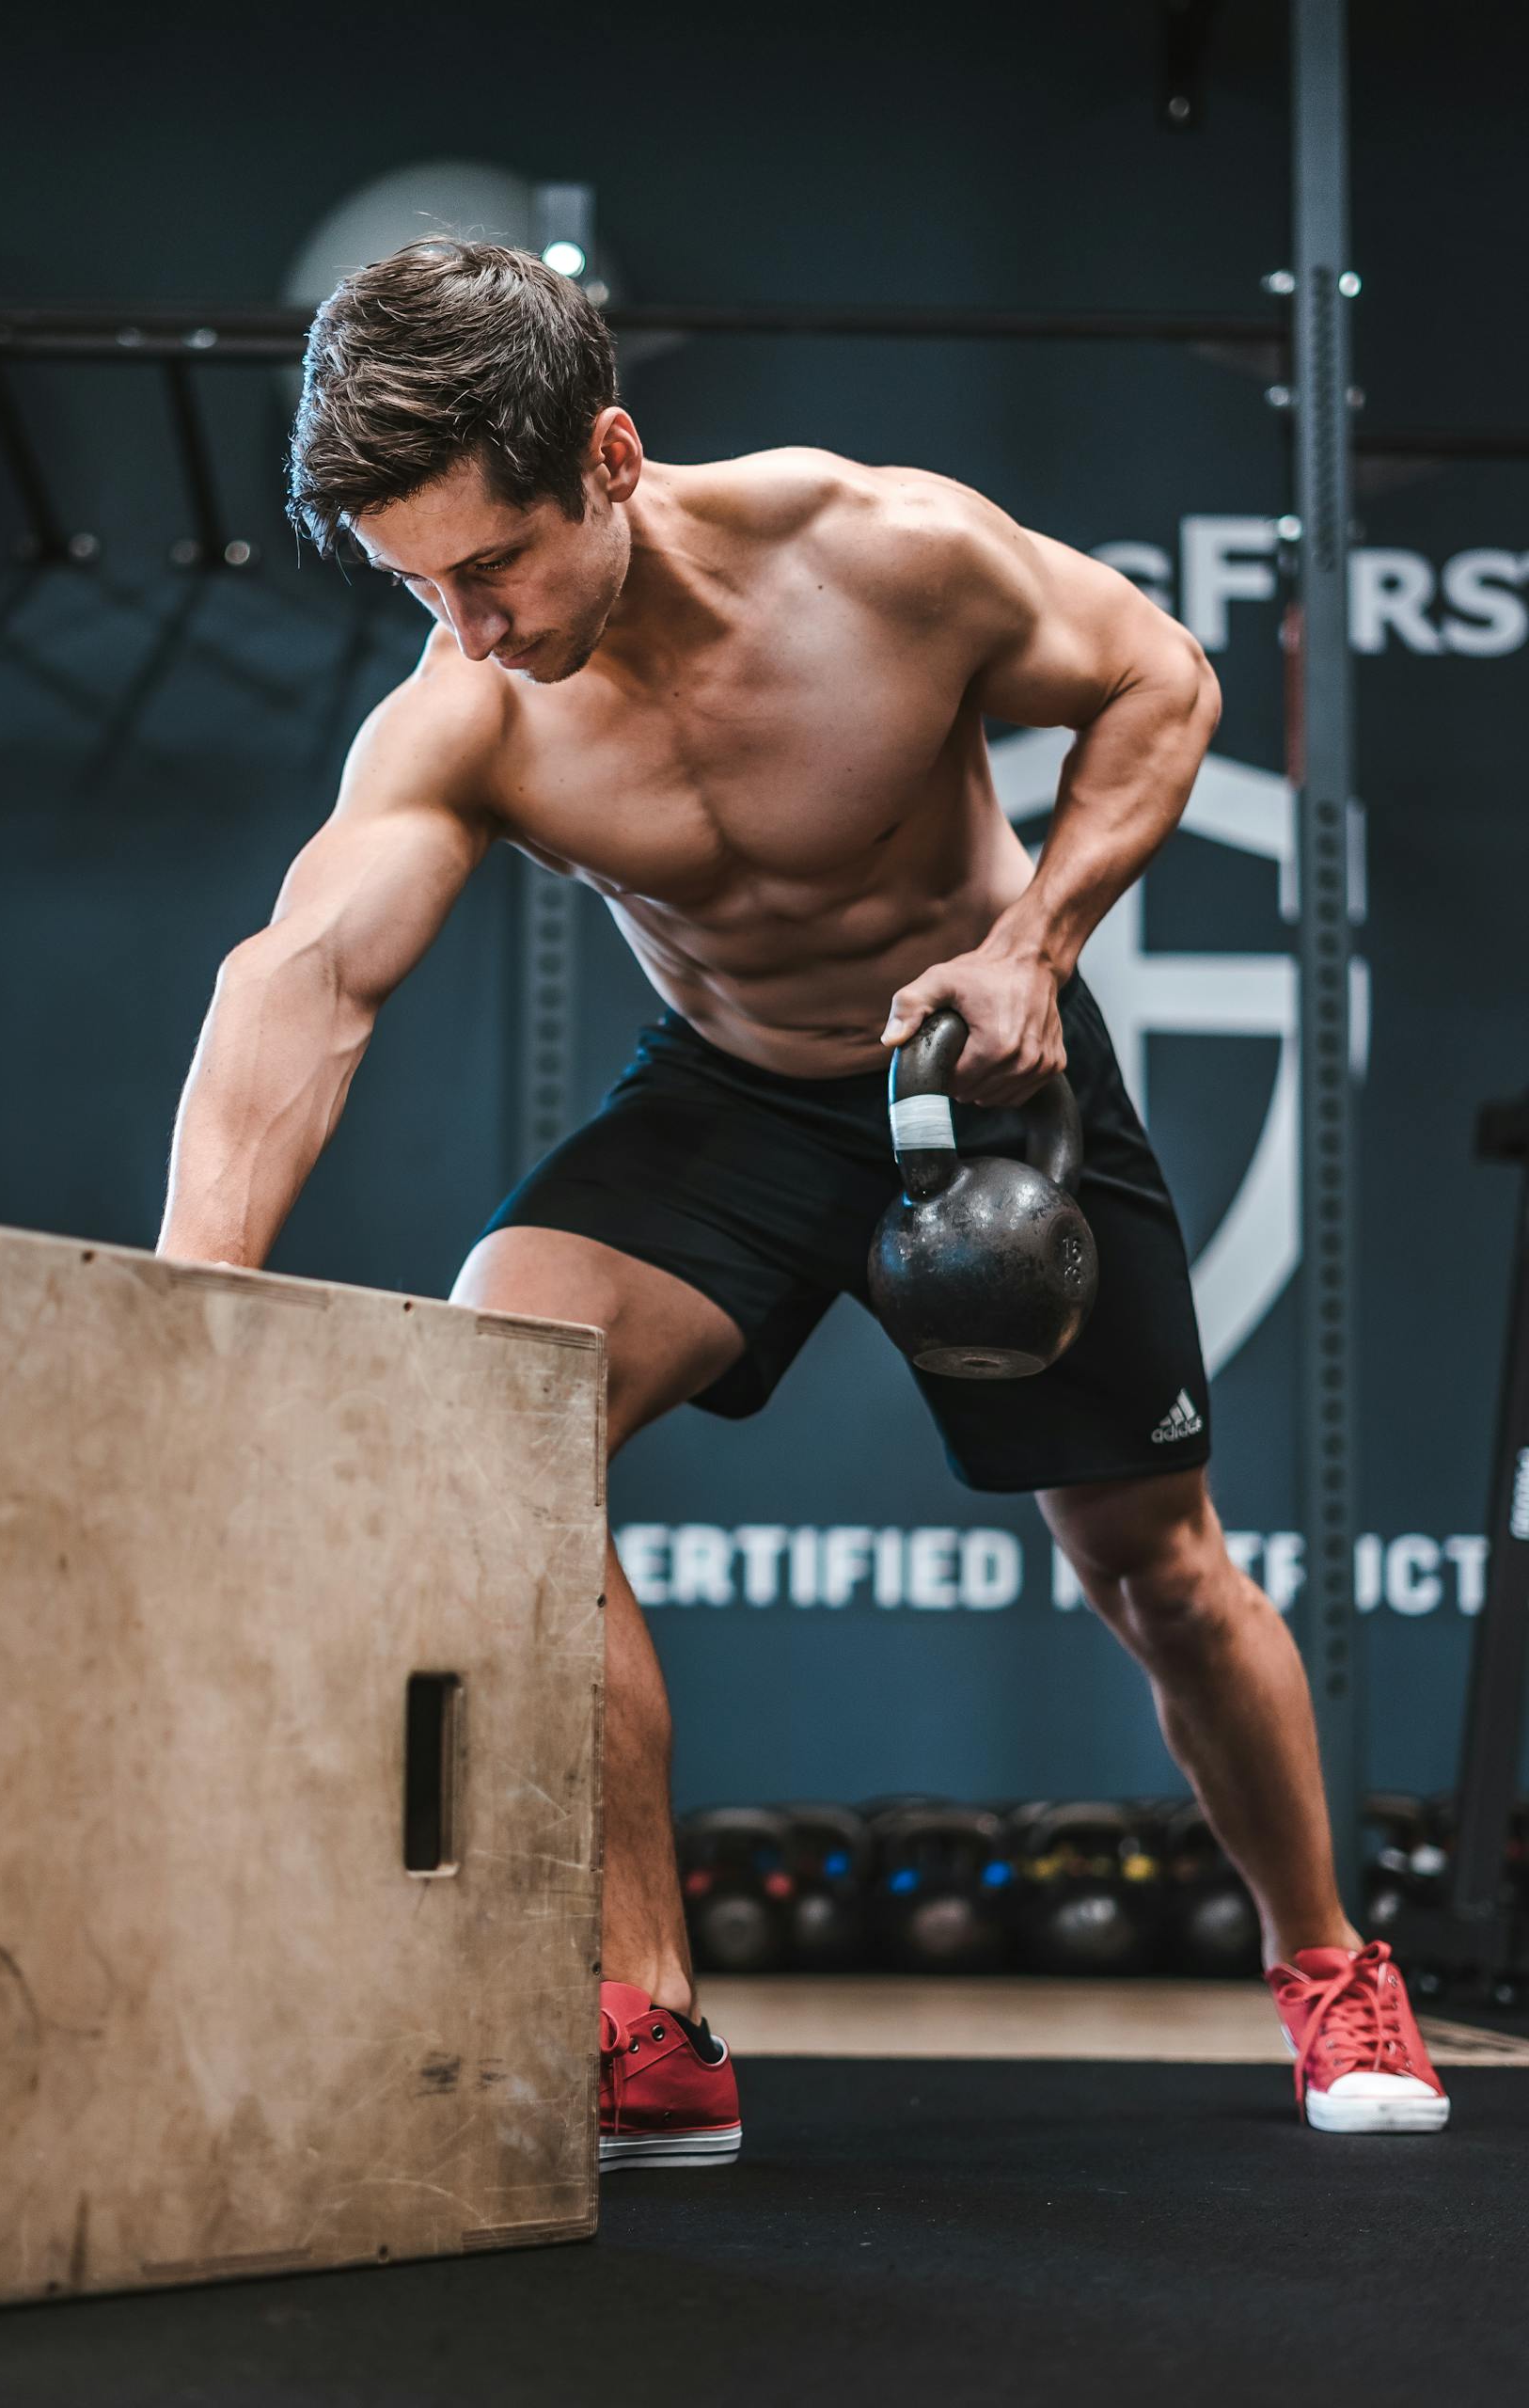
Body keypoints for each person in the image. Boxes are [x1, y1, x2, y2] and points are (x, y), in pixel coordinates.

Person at [157, 238, 1447, 2159]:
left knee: (1155, 1569)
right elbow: (304, 976)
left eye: (490, 564)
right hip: (734, 1090)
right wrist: (187, 1301)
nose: (469, 625)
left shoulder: (883, 554)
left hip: (982, 1073)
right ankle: (645, 2013)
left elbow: (1156, 680)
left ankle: (1328, 1956)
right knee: (496, 1409)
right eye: (415, 583)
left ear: (606, 455)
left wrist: (1034, 940)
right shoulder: (463, 710)